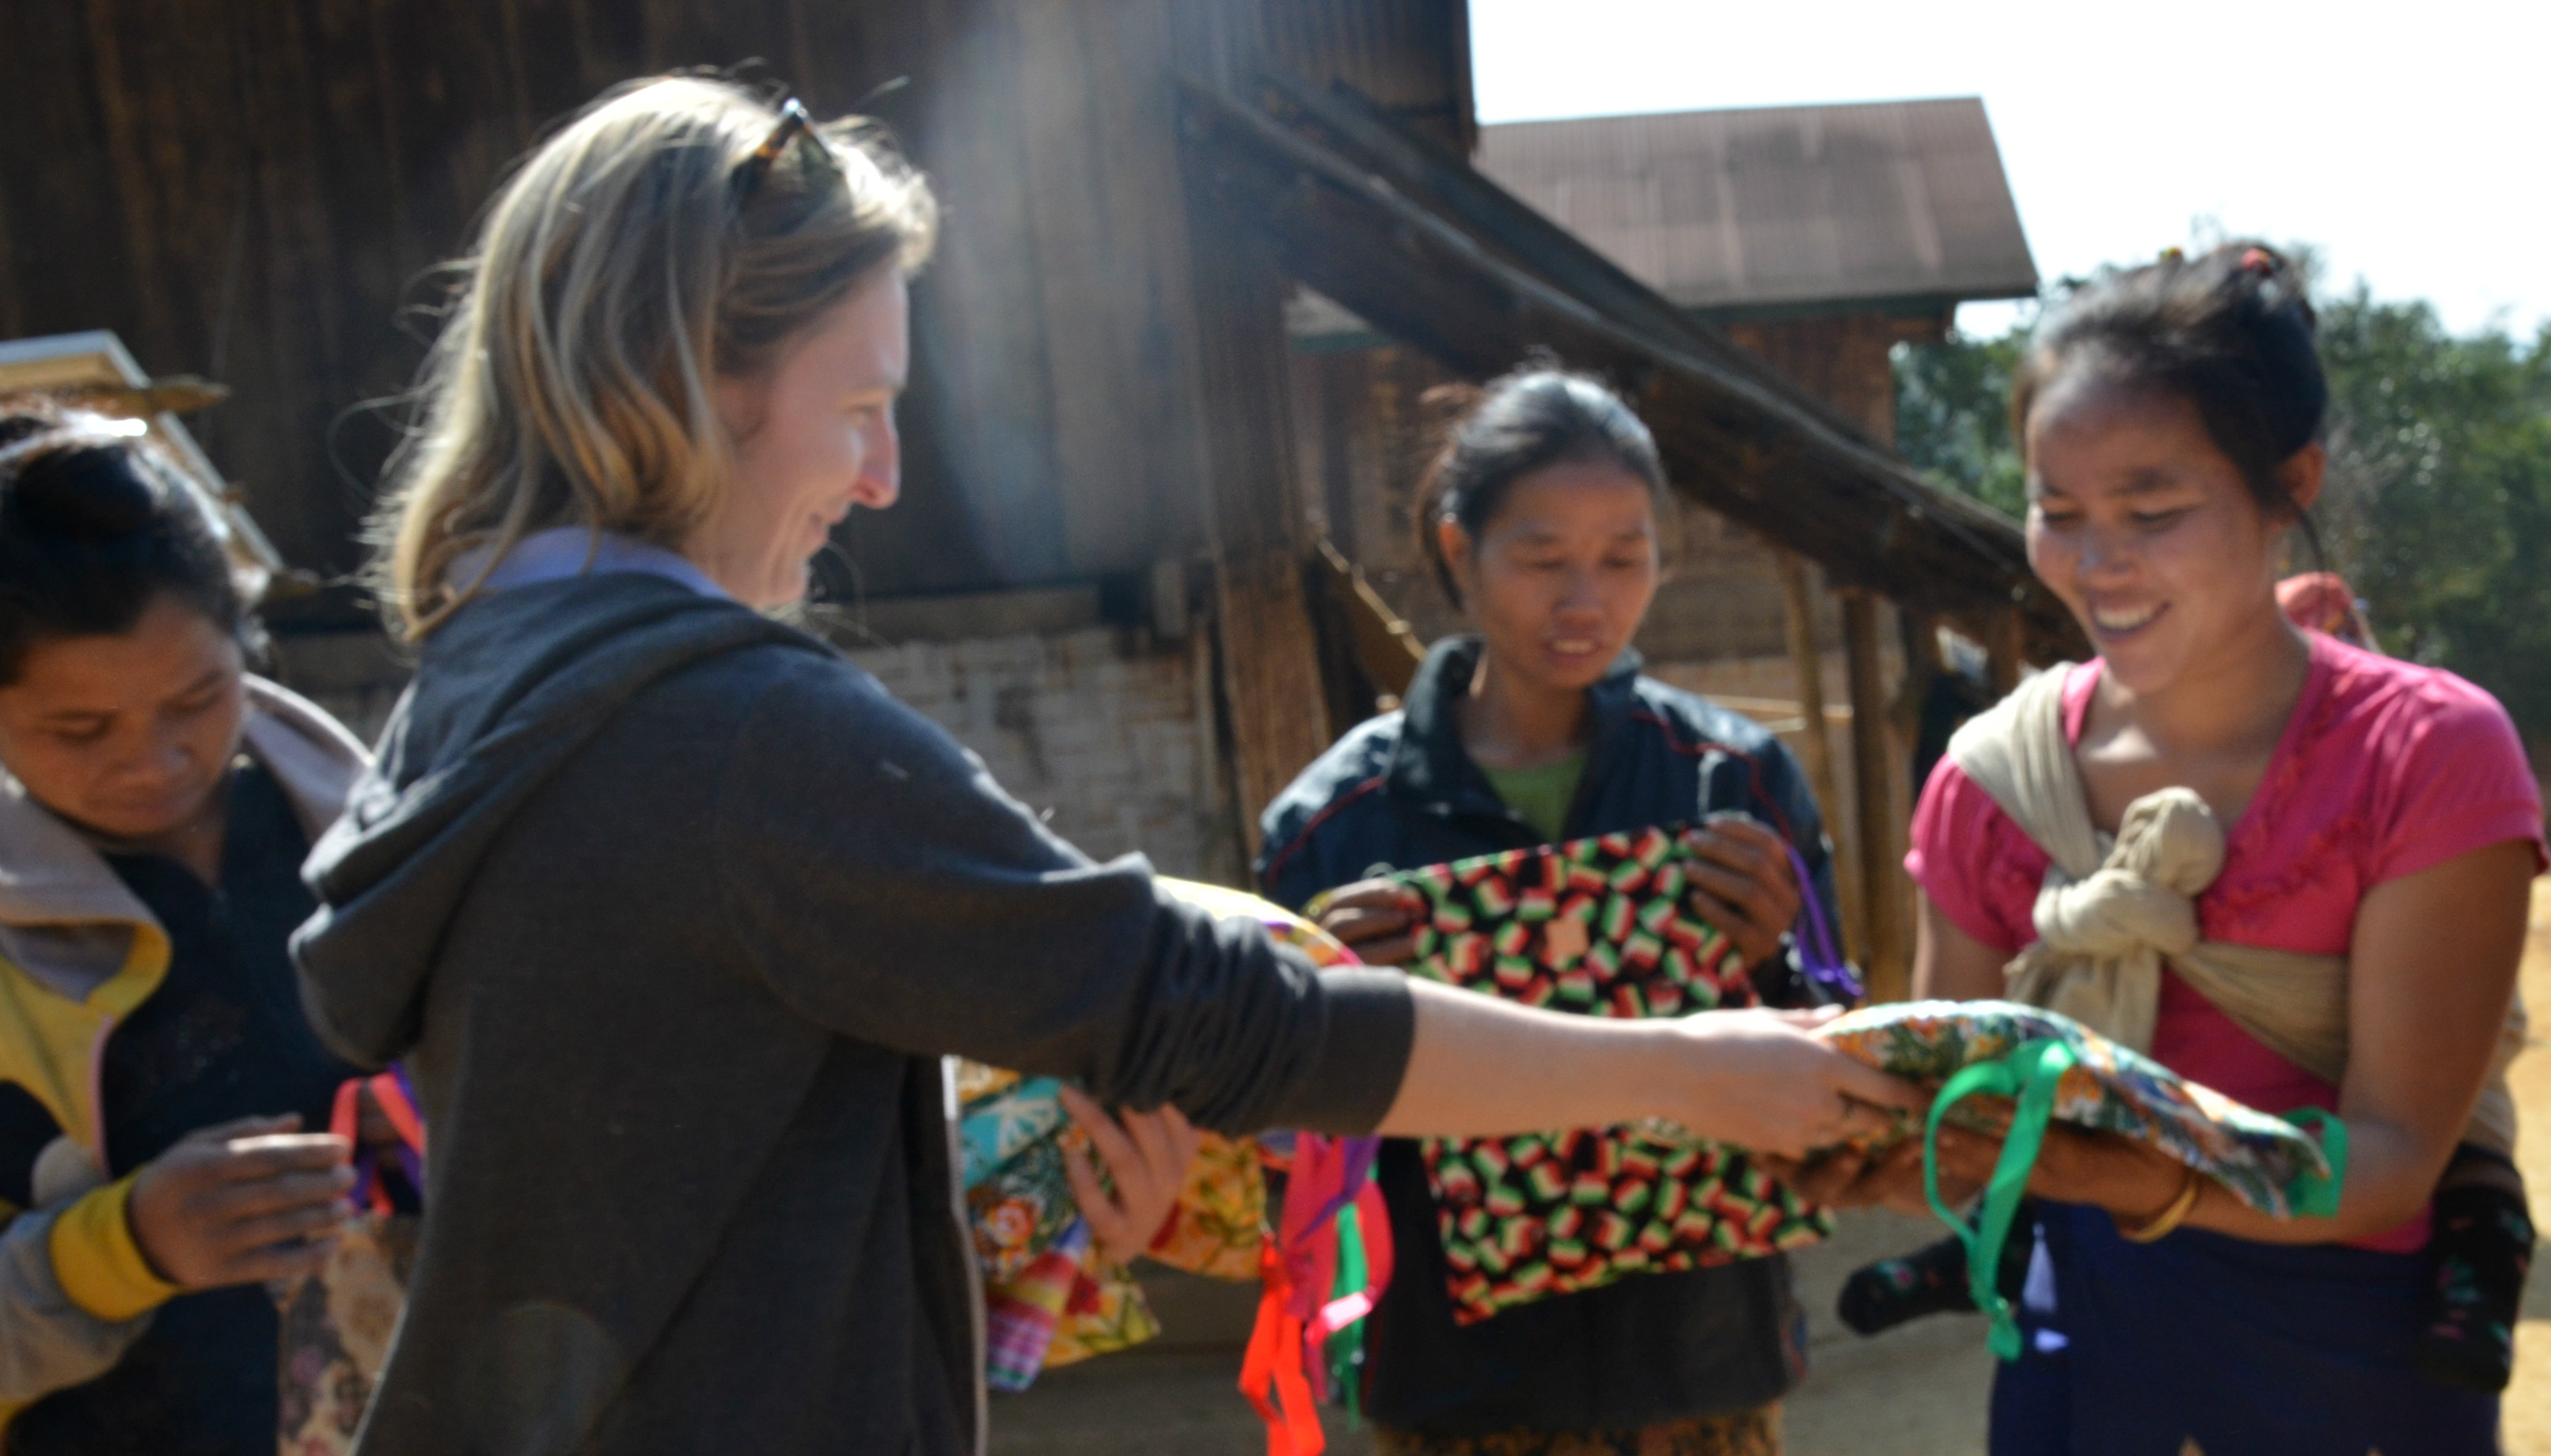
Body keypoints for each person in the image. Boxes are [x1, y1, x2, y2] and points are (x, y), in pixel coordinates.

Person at [287, 78, 1916, 1456]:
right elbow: (1230, 1012)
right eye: (858, 404)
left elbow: (662, 1169)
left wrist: (981, 1198)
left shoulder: (481, 691)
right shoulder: (731, 734)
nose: (883, 474)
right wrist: (1685, 1068)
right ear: (689, 384)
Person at [1809, 244, 2543, 1454]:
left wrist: (2119, 1174)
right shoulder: (1992, 784)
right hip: (2085, 1354)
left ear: (2286, 484)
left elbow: (2396, 1157)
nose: (2098, 565)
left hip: (2352, 1362)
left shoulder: (2425, 759)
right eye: (2058, 515)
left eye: (2152, 514)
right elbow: (1969, 1106)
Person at [1259, 368, 1848, 1456]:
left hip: (1700, 1366)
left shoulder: (1735, 783)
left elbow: (1844, 1061)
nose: (1585, 601)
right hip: (1451, 1385)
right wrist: (1317, 1009)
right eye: (1542, 560)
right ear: (1455, 550)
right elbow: (1267, 1138)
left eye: (1624, 559)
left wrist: (1775, 965)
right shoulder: (1332, 827)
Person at [0, 399, 378, 1453]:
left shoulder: (377, 840)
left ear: (247, 638)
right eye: (79, 728)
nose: (156, 760)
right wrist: (122, 1248)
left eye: (199, 699)